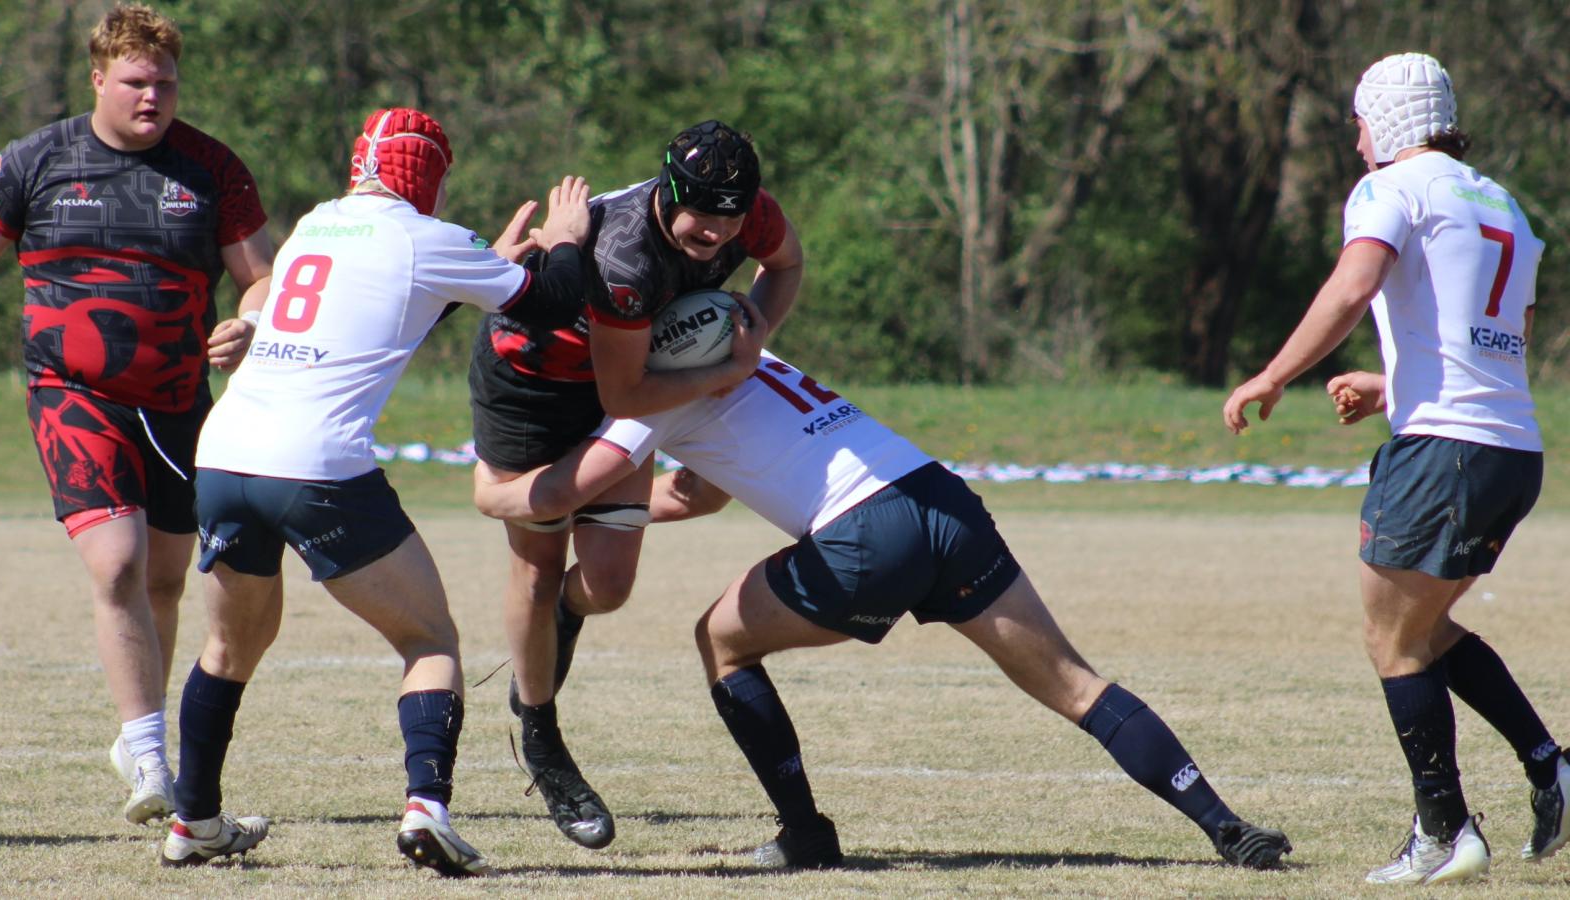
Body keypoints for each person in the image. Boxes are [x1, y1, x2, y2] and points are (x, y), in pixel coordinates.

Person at [475, 337, 1294, 871]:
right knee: (1077, 686)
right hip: (938, 498)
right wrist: (625, 507)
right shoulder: (749, 353)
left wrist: (494, 493)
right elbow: (697, 498)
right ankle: (1224, 825)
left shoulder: (644, 391)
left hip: (866, 536)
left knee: (720, 641)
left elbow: (568, 491)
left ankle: (806, 835)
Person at [161, 107, 591, 874]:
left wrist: (479, 265)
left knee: (230, 645)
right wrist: (564, 241)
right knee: (430, 641)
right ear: (428, 172)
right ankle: (427, 809)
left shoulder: (318, 224)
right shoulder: (428, 238)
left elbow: (389, 303)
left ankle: (192, 819)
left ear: (362, 163)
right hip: (316, 466)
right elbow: (552, 301)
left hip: (225, 453)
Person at [1223, 52, 1566, 885]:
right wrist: (1390, 386)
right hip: (1510, 448)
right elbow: (1499, 339)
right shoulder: (1503, 204)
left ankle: (1446, 834)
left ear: (1390, 117)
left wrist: (1273, 373)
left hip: (1444, 451)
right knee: (1425, 631)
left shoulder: (1390, 188)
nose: (1356, 140)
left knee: (1393, 641)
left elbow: (1353, 286)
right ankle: (1549, 764)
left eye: (1360, 121)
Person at [0, 2, 273, 825]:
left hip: (179, 403)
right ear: (99, 78)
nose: (153, 97)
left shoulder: (211, 167)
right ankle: (149, 758)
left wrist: (248, 319)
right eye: (136, 82)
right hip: (73, 393)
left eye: (166, 84)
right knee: (117, 564)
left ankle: (137, 740)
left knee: (169, 577)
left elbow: (259, 275)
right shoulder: (35, 160)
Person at [467, 120, 801, 849]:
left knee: (609, 585)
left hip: (623, 376)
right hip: (533, 386)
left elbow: (787, 264)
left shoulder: (749, 215)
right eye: (699, 215)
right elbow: (627, 397)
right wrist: (726, 371)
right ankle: (542, 732)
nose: (715, 233)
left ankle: (555, 628)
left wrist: (752, 336)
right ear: (667, 192)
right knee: (538, 562)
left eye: (730, 217)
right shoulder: (625, 256)